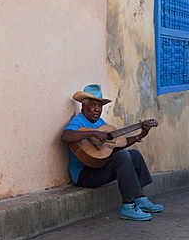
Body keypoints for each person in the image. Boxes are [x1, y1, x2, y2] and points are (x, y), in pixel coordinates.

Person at [61, 84, 164, 221]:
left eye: (100, 106)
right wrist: (94, 133)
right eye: (92, 105)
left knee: (134, 155)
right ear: (83, 107)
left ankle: (140, 199)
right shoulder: (79, 121)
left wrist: (140, 135)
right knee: (122, 156)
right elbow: (66, 136)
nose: (97, 109)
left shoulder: (101, 123)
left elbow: (117, 144)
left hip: (99, 167)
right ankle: (127, 206)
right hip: (84, 174)